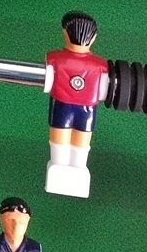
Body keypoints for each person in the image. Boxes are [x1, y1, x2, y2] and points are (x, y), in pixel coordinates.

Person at [43, 11, 108, 198]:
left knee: (60, 140)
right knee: (81, 141)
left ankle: (60, 166)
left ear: (65, 33)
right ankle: (77, 167)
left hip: (62, 107)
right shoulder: (101, 65)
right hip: (87, 110)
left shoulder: (54, 58)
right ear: (93, 37)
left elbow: (48, 83)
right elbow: (103, 90)